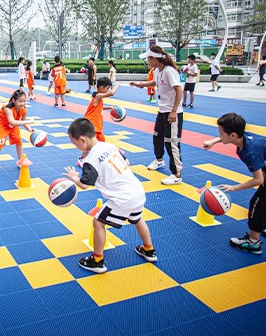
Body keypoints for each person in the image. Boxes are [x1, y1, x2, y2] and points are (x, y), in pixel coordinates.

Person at [63, 117, 157, 273]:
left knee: (98, 223)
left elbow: (84, 185)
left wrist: (74, 177)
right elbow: (127, 163)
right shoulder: (109, 145)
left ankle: (97, 261)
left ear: (83, 140)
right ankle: (149, 249)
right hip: (137, 191)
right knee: (137, 219)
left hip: (122, 198)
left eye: (75, 143)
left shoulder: (90, 160)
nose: (75, 146)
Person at [203, 113, 266, 255]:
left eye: (221, 133)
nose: (219, 135)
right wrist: (213, 141)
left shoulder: (250, 152)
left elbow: (258, 180)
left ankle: (253, 242)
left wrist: (233, 187)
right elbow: (228, 137)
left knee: (258, 204)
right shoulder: (244, 138)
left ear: (233, 135)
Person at [129, 46, 184, 185]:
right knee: (157, 136)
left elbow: (179, 90)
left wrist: (173, 111)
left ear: (154, 58)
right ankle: (159, 160)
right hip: (162, 110)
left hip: (172, 112)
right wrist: (141, 84)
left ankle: (177, 174)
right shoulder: (157, 71)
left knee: (171, 142)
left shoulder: (170, 71)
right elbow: (155, 82)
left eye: (148, 59)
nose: (148, 61)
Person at [77, 77, 120, 166]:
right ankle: (82, 159)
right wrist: (117, 85)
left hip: (97, 126)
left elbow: (99, 108)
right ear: (101, 88)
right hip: (91, 125)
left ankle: (98, 159)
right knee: (89, 143)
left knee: (101, 143)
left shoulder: (97, 97)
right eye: (107, 88)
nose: (108, 90)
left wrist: (109, 107)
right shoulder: (97, 96)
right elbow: (111, 93)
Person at [0, 89, 33, 173]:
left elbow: (23, 121)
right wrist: (28, 121)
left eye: (24, 101)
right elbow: (12, 122)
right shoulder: (7, 108)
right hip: (2, 124)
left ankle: (20, 161)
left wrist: (30, 129)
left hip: (13, 125)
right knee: (0, 141)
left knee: (18, 141)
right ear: (14, 100)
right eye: (20, 101)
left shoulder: (24, 109)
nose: (22, 103)